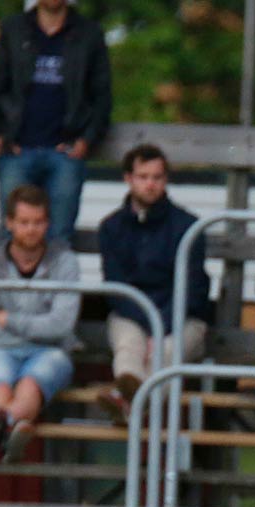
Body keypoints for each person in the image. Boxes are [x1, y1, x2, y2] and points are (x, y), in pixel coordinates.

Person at [0, 0, 112, 245]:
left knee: (60, 238)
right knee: (12, 237)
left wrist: (86, 139)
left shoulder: (89, 33)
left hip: (66, 151)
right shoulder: (13, 28)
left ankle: (56, 286)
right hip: (17, 149)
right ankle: (10, 286)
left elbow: (101, 95)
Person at [96, 144, 208, 421]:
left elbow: (193, 288)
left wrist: (160, 327)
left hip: (183, 317)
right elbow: (115, 287)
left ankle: (128, 403)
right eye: (143, 176)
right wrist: (148, 324)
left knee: (168, 352)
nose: (150, 184)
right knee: (128, 343)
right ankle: (133, 395)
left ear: (165, 180)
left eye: (157, 177)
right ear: (128, 179)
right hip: (131, 312)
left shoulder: (188, 226)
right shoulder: (111, 227)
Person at [0, 185, 78, 465]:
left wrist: (10, 320)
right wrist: (38, 332)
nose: (31, 229)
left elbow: (63, 324)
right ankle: (12, 429)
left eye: (38, 222)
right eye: (24, 222)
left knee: (33, 381)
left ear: (48, 223)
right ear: (9, 223)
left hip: (49, 352)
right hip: (11, 350)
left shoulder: (66, 262)